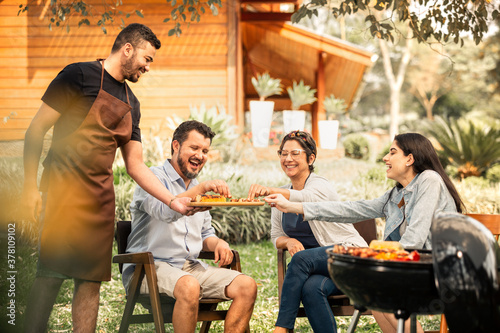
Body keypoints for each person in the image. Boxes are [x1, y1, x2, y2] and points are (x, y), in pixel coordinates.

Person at [21, 23, 193, 333]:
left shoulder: (132, 104)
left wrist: (173, 199)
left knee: (90, 282)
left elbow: (136, 166)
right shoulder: (78, 76)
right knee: (50, 276)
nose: (148, 67)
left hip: (100, 202)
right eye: (147, 58)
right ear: (128, 49)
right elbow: (35, 131)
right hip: (62, 193)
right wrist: (29, 189)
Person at [265, 132, 464, 333]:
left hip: (439, 269)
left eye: (392, 152)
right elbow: (350, 209)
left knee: (376, 287)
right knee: (372, 293)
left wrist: (375, 259)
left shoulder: (429, 180)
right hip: (412, 266)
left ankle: (281, 328)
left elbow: (415, 238)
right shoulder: (395, 194)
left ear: (409, 159)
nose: (385, 158)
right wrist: (293, 207)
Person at [123, 120, 257, 333]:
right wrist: (201, 188)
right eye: (194, 148)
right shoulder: (152, 178)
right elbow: (165, 211)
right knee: (189, 285)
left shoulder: (196, 188)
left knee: (247, 286)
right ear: (176, 146)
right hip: (148, 268)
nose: (200, 155)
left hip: (188, 267)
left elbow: (205, 234)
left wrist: (218, 243)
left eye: (205, 150)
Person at [247, 130, 367, 333]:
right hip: (321, 268)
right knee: (312, 289)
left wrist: (270, 190)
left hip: (350, 257)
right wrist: (288, 242)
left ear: (311, 158)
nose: (288, 159)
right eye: (283, 153)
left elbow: (305, 197)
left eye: (295, 153)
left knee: (301, 259)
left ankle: (281, 328)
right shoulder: (281, 193)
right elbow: (276, 235)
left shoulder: (320, 186)